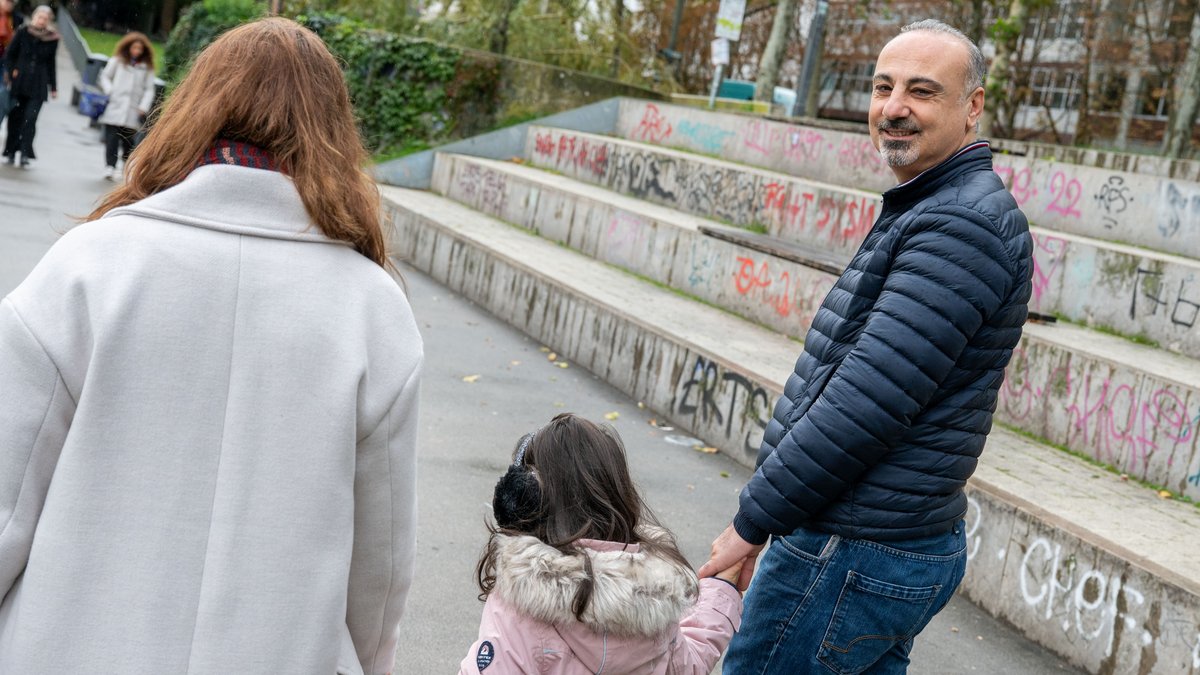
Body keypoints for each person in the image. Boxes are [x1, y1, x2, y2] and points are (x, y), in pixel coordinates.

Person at [0, 17, 422, 674]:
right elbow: (381, 567)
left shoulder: (87, 266)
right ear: (336, 133)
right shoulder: (373, 308)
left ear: (193, 107)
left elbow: (6, 500)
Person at [698, 19, 1033, 674]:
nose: (894, 107)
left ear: (973, 107)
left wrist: (753, 521)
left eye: (922, 91)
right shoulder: (933, 205)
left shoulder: (959, 223)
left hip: (852, 543)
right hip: (874, 539)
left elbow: (867, 402)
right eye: (883, 87)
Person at [461, 413, 744, 674]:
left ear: (522, 500)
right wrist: (722, 589)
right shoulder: (657, 597)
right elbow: (688, 664)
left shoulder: (521, 601)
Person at [2, 4, 56, 168]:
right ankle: (11, 151)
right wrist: (12, 72)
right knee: (15, 118)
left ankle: (25, 152)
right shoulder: (22, 32)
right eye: (39, 17)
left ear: (48, 21)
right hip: (20, 81)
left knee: (30, 119)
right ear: (34, 17)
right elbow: (10, 55)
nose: (41, 21)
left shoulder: (52, 38)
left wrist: (54, 87)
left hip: (38, 83)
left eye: (45, 19)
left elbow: (51, 63)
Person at [98, 31, 155, 180]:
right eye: (134, 47)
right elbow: (105, 76)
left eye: (139, 49)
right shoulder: (118, 60)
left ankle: (125, 165)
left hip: (133, 109)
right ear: (128, 47)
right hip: (115, 105)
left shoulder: (146, 67)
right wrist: (109, 90)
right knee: (111, 139)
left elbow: (149, 89)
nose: (136, 51)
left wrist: (143, 106)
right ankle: (109, 166)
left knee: (128, 141)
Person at [0, 0, 24, 129]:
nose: (8, 4)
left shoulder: (17, 18)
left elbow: (18, 42)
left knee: (2, 90)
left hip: (6, 58)